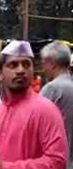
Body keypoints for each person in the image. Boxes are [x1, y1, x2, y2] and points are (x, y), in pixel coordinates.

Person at [0, 40, 68, 169]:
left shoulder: (46, 110)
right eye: (13, 65)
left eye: (26, 65)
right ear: (0, 74)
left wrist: (6, 167)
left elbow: (57, 161)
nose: (20, 70)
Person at [40, 41, 73, 169]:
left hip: (57, 161)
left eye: (43, 63)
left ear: (52, 63)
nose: (42, 68)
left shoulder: (52, 89)